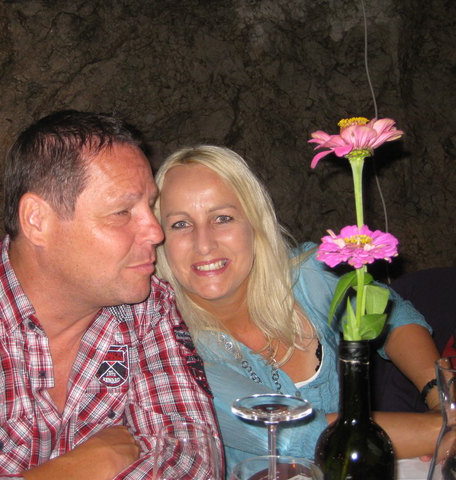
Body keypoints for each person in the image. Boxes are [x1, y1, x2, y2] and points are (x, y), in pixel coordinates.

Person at [0, 111, 222, 480]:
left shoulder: (148, 305)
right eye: (122, 212)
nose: (155, 232)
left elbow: (195, 462)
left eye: (149, 206)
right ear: (37, 221)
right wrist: (84, 467)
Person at [152, 145, 442, 475]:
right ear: (158, 237)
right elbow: (295, 437)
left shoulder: (308, 275)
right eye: (180, 224)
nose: (204, 244)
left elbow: (391, 313)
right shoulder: (167, 346)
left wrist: (440, 396)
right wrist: (440, 430)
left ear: (255, 221)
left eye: (223, 218)